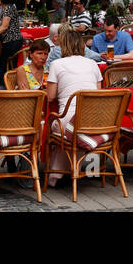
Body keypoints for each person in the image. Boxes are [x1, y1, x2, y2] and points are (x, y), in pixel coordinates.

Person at [45, 27, 104, 181]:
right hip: (96, 120)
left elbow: (50, 97)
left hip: (71, 120)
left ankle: (56, 175)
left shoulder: (57, 64)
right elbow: (98, 94)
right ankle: (91, 170)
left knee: (53, 124)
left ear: (63, 45)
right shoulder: (93, 64)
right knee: (77, 129)